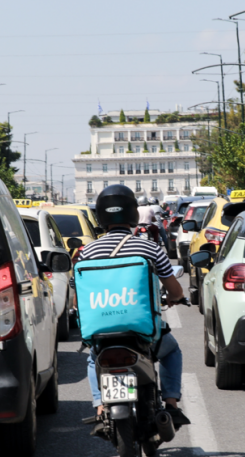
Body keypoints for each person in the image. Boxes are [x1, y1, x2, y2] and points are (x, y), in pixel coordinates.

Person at [81, 184, 190, 431]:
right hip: (142, 332)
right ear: (132, 212)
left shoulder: (86, 252)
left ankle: (100, 407)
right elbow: (175, 291)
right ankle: (171, 404)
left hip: (101, 333)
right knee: (171, 351)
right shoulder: (149, 248)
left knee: (92, 359)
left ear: (100, 216)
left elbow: (79, 300)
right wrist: (175, 298)